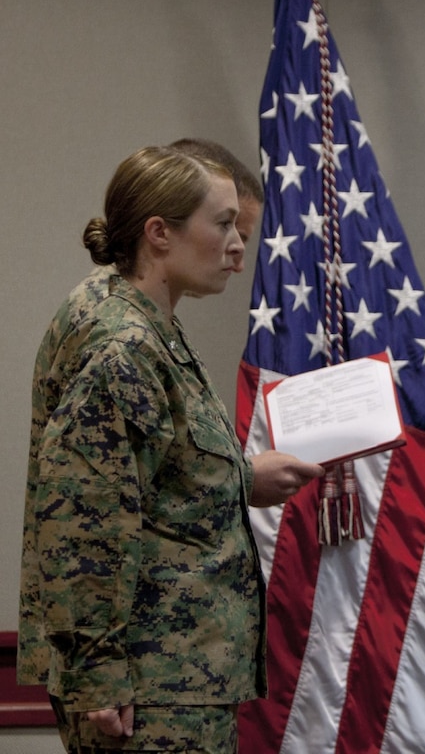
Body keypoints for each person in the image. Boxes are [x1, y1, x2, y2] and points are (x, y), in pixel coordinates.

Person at [18, 146, 324, 753]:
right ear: (160, 233)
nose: (239, 245)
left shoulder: (142, 320)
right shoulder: (124, 343)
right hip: (149, 686)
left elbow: (156, 481)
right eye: (224, 225)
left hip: (172, 677)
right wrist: (100, 676)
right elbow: (84, 519)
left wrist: (241, 480)